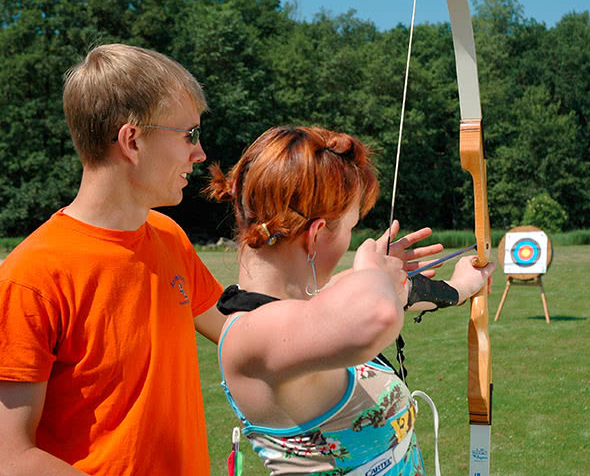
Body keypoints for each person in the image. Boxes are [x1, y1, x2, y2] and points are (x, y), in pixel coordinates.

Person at [207, 125, 496, 475]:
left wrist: (461, 286)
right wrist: (374, 272)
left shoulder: (315, 305)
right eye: (350, 227)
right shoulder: (251, 335)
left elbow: (400, 295)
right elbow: (377, 316)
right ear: (315, 235)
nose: (352, 241)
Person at [0, 44, 225, 475]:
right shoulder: (29, 278)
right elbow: (10, 457)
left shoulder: (168, 235)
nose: (200, 154)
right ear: (132, 139)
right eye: (189, 135)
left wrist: (360, 290)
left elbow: (237, 328)